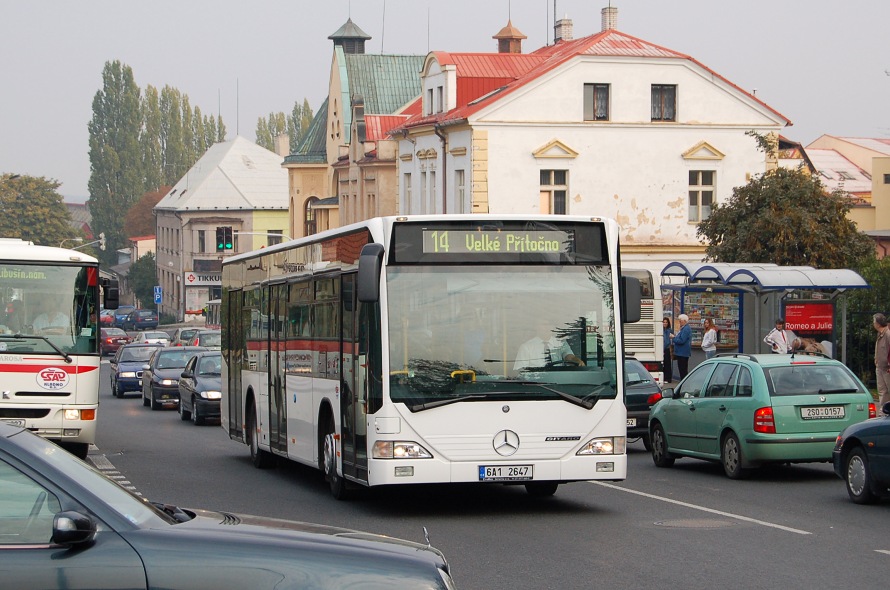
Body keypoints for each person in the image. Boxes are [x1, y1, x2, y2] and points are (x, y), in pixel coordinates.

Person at [514, 317, 584, 372]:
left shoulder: (560, 343)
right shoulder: (526, 347)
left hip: (559, 383)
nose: (547, 327)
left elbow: (569, 356)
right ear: (536, 327)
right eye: (544, 324)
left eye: (549, 324)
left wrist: (577, 361)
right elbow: (520, 371)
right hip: (536, 384)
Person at [873, 313, 890, 406]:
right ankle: (884, 412)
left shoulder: (888, 334)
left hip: (887, 368)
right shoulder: (880, 334)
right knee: (882, 391)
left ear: (878, 323)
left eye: (874, 322)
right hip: (880, 366)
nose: (873, 324)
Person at [671, 314, 692, 380]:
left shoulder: (686, 329)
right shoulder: (684, 328)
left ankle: (684, 383)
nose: (679, 322)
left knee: (683, 370)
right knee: (682, 369)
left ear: (685, 321)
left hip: (683, 353)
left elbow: (682, 340)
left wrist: (673, 338)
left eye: (681, 321)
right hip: (681, 352)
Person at [662, 317, 673, 383]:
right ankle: (663, 378)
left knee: (667, 364)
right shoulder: (661, 330)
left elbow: (667, 341)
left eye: (666, 322)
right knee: (663, 364)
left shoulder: (669, 330)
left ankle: (668, 378)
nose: (665, 323)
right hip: (661, 349)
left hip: (667, 349)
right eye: (664, 322)